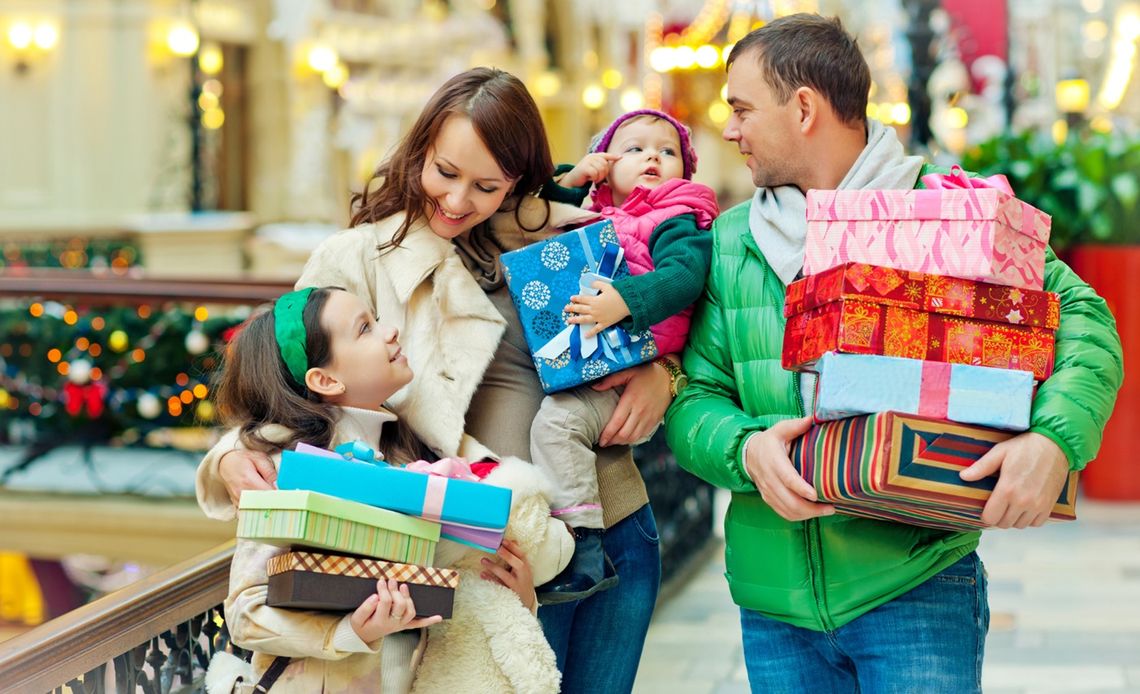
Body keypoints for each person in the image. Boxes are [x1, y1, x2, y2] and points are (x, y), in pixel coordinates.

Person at [665, 13, 1124, 694]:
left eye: (740, 108)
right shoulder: (732, 240)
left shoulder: (947, 210)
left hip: (916, 588)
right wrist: (745, 449)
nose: (729, 130)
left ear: (803, 108)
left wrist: (1055, 440)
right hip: (774, 608)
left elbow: (1083, 316)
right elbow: (694, 396)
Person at [195, 68, 676, 692]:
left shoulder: (567, 226)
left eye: (485, 185)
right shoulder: (355, 259)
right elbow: (290, 375)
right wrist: (233, 455)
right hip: (490, 550)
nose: (456, 201)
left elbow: (665, 322)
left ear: (519, 178)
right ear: (420, 148)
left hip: (613, 524)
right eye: (445, 173)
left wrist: (665, 377)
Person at [204, 286, 572, 693]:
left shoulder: (414, 460)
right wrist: (347, 632)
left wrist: (520, 597)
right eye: (365, 328)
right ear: (324, 378)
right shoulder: (283, 470)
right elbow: (245, 611)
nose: (391, 332)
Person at [529, 108, 718, 602]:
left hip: (634, 360)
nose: (652, 155)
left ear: (685, 170)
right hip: (597, 356)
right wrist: (572, 181)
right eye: (632, 148)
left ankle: (580, 544)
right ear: (605, 165)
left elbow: (684, 276)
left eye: (667, 150)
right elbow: (533, 218)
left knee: (557, 425)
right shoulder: (600, 215)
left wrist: (625, 302)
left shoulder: (677, 217)